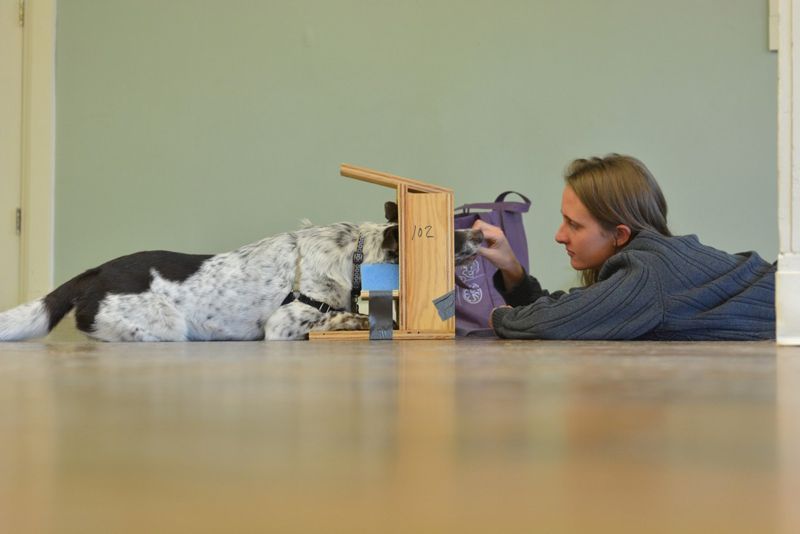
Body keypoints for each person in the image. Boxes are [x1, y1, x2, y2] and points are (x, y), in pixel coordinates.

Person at [473, 154, 776, 340]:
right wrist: (511, 268)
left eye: (574, 225)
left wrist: (499, 317)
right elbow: (575, 309)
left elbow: (558, 321)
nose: (559, 235)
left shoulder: (648, 274)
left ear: (619, 234)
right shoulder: (649, 264)